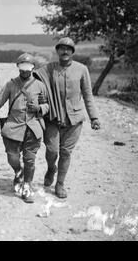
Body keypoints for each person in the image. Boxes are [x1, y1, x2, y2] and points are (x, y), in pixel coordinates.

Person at [0, 53, 49, 203]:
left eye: (27, 68)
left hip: (33, 127)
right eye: (22, 68)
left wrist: (39, 107)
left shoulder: (40, 85)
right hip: (13, 127)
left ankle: (27, 186)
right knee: (12, 158)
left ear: (32, 68)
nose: (24, 71)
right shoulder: (10, 85)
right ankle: (18, 171)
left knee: (30, 160)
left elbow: (47, 105)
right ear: (18, 68)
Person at [34, 37, 101, 199]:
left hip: (74, 120)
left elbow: (88, 95)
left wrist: (94, 117)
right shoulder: (48, 69)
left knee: (65, 153)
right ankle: (51, 168)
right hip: (53, 118)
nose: (65, 51)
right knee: (52, 151)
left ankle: (60, 184)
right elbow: (35, 82)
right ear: (57, 51)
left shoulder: (81, 69)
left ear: (72, 52)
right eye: (62, 48)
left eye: (68, 49)